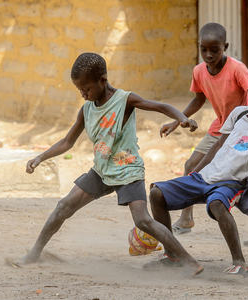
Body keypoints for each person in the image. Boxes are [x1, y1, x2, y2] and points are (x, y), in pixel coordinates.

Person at [20, 52, 204, 278]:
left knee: (143, 220)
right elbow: (68, 141)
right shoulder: (86, 110)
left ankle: (188, 261)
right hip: (101, 170)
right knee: (63, 206)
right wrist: (41, 157)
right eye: (79, 89)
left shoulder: (124, 100)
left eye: (86, 88)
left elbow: (160, 106)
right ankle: (35, 253)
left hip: (127, 169)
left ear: (103, 80)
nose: (83, 94)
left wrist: (181, 118)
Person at [149, 68, 248, 277]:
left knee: (217, 204)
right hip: (205, 177)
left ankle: (240, 263)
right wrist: (194, 172)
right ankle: (172, 255)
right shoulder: (238, 113)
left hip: (231, 183)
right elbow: (217, 146)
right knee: (156, 193)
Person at [162, 23, 248, 247]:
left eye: (215, 50)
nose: (209, 55)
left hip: (244, 129)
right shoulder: (199, 71)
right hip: (220, 127)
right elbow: (198, 99)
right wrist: (176, 121)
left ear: (226, 47)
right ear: (199, 47)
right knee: (192, 165)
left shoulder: (236, 69)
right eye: (204, 49)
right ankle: (186, 219)